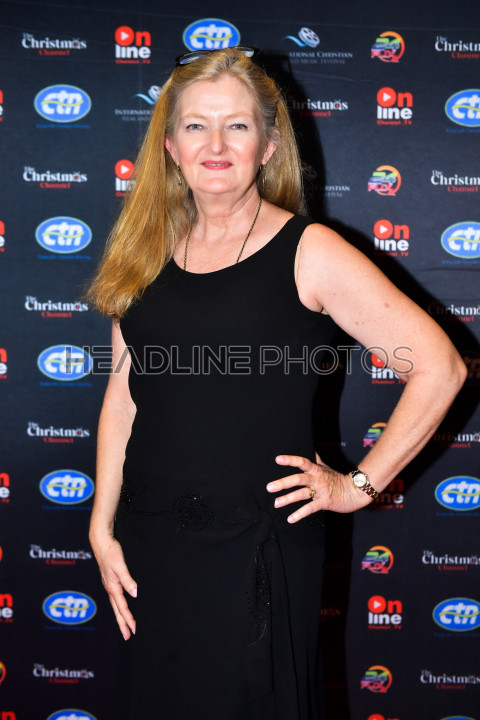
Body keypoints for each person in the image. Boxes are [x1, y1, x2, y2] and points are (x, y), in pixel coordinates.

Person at [87, 47, 466, 720]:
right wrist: (101, 523)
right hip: (151, 545)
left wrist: (356, 487)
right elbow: (124, 396)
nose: (216, 145)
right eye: (196, 125)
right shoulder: (143, 249)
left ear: (267, 146)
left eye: (237, 125)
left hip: (255, 551)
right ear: (170, 145)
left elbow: (440, 366)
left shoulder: (310, 250)